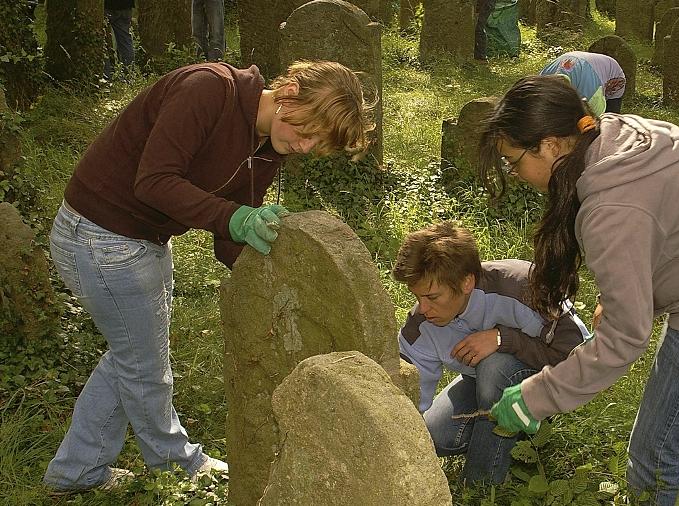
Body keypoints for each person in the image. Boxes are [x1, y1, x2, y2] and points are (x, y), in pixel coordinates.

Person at [43, 60, 375, 494]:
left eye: (317, 144)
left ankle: (75, 471)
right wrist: (234, 218)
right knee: (144, 366)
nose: (305, 147)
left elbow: (232, 238)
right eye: (306, 130)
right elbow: (154, 182)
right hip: (101, 234)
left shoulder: (269, 146)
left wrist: (276, 282)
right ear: (290, 92)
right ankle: (179, 467)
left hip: (144, 239)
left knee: (133, 355)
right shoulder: (207, 91)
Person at [478, 76, 679, 504]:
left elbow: (624, 339)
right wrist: (616, 296)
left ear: (551, 145)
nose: (513, 174)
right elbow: (660, 222)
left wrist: (537, 395)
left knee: (653, 455)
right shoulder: (614, 136)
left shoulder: (610, 207)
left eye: (512, 161)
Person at [392, 222, 589, 484]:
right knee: (434, 435)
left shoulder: (524, 286)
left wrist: (504, 339)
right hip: (479, 384)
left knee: (494, 366)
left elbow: (579, 356)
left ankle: (481, 486)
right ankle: (517, 435)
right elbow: (409, 398)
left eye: (432, 297)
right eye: (417, 297)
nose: (423, 308)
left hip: (546, 380)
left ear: (466, 282)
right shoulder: (420, 326)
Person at [540, 51, 626, 114]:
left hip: (610, 72)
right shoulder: (541, 83)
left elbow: (595, 118)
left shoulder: (590, 92)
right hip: (577, 62)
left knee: (605, 123)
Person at [103, 0, 134, 78]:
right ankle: (128, 75)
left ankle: (106, 77)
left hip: (106, 6)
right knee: (125, 41)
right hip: (125, 5)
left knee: (101, 41)